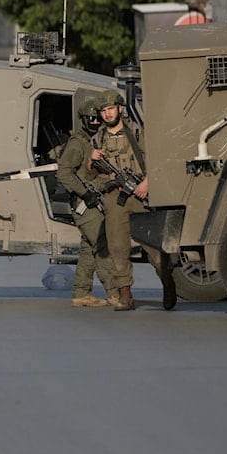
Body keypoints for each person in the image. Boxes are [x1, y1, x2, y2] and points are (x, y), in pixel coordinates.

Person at [88, 90, 176, 311]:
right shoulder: (97, 139)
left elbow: (158, 159)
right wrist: (91, 160)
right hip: (114, 199)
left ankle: (167, 281)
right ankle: (125, 294)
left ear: (120, 108)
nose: (108, 114)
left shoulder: (137, 133)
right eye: (104, 111)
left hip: (140, 195)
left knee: (154, 248)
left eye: (111, 109)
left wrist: (147, 183)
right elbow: (89, 175)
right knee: (118, 248)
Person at [56, 93, 119, 308]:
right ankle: (114, 293)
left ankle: (81, 293)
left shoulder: (92, 141)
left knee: (88, 248)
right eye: (90, 119)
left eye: (97, 119)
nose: (95, 122)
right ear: (83, 120)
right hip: (85, 203)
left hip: (92, 200)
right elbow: (64, 173)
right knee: (102, 246)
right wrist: (85, 193)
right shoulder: (78, 143)